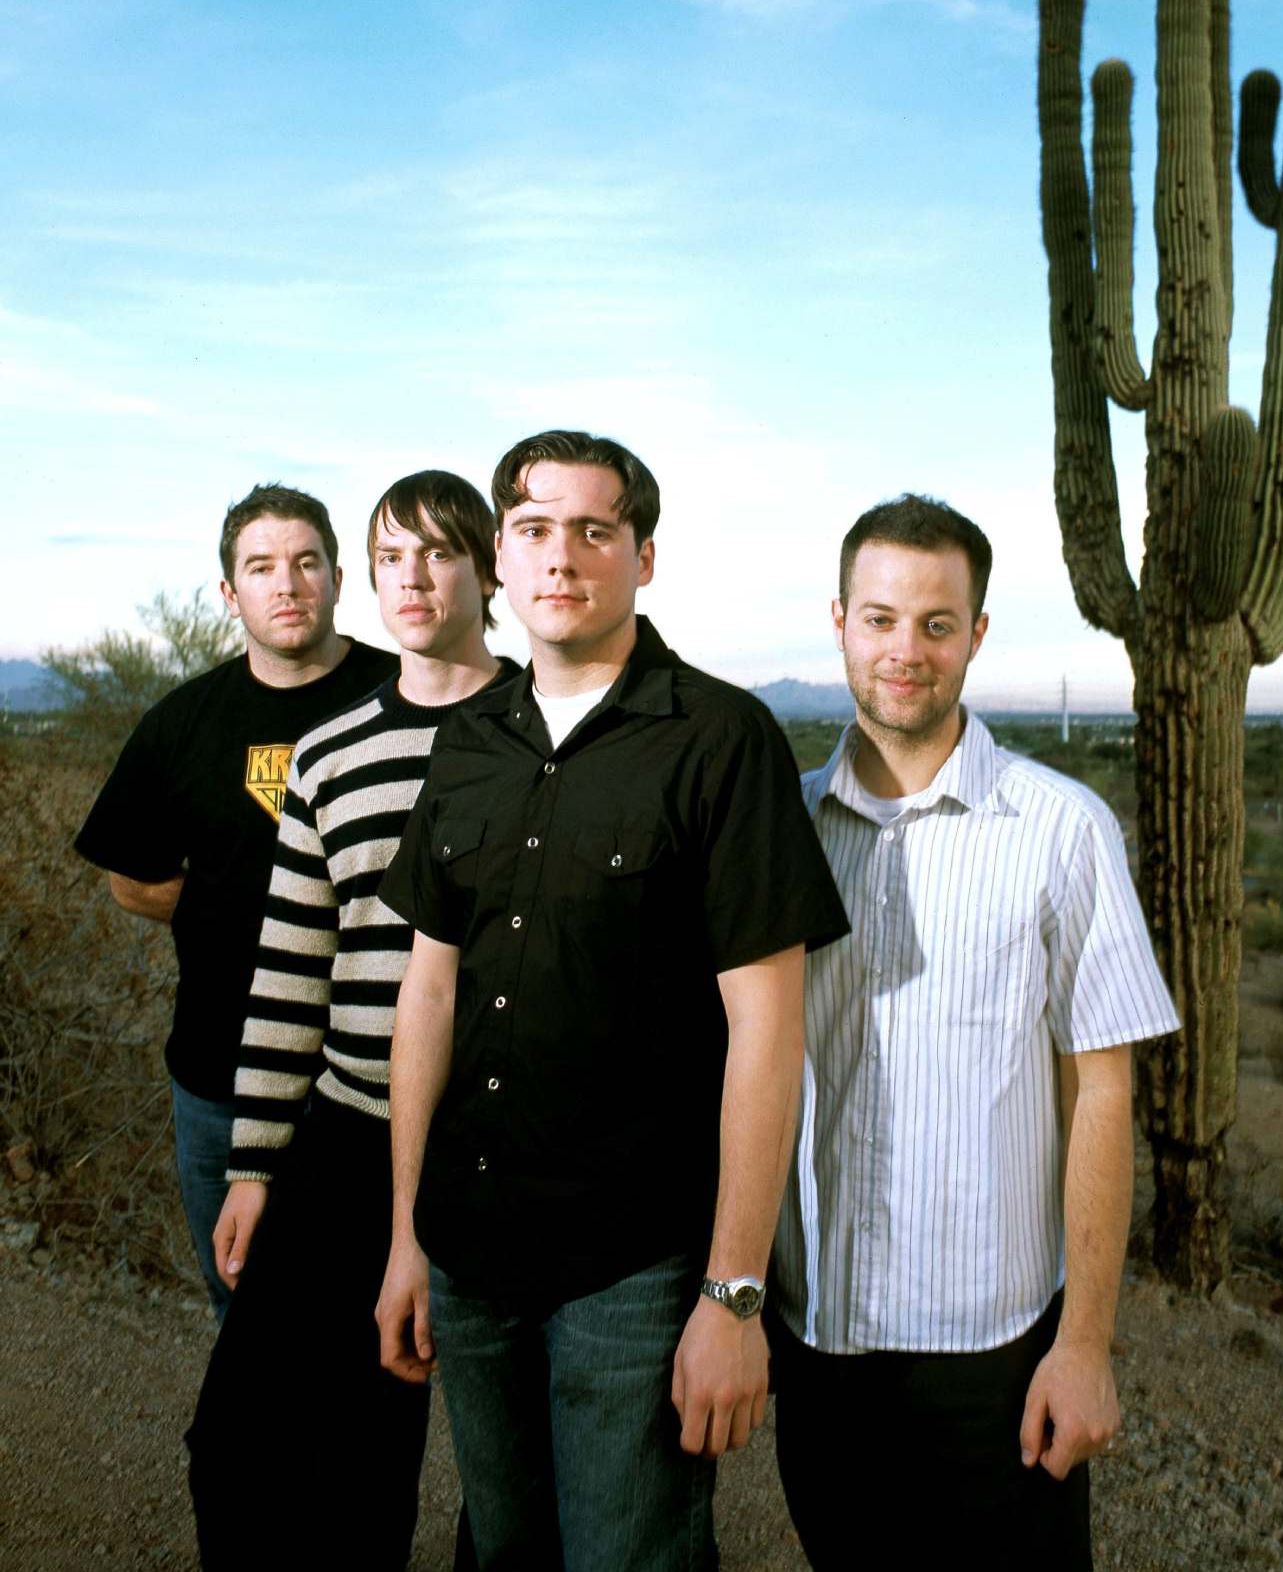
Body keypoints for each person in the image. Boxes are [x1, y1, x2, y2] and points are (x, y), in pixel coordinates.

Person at [375, 429, 849, 1572]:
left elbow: (768, 1031)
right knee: (504, 1547)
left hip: (632, 1268)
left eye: (596, 529)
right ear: (501, 554)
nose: (562, 555)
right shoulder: (470, 739)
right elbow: (428, 991)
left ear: (644, 556)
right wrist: (405, 1236)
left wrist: (734, 1291)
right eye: (535, 528)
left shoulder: (721, 738)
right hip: (470, 1249)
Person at [769, 494, 1179, 1570]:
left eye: (937, 623)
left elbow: (1103, 1093)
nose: (905, 649)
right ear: (841, 623)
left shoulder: (1062, 830)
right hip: (819, 1340)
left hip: (994, 1358)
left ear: (977, 634)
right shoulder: (781, 831)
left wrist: (1084, 1345)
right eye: (880, 618)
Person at [186, 469, 511, 1569]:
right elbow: (291, 970)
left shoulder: (547, 732)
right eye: (390, 557)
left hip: (506, 1143)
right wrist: (252, 1166)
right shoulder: (329, 754)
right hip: (353, 1129)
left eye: (440, 551)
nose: (413, 577)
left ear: (489, 570)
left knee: (506, 1469)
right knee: (249, 1446)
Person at [73, 484, 395, 1315]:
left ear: (338, 579)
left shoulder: (405, 695)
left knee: (382, 1331)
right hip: (220, 1077)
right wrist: (238, 914)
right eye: (260, 567)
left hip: (378, 1085)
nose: (286, 584)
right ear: (228, 592)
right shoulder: (183, 722)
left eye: (306, 562)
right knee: (245, 1318)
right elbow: (129, 874)